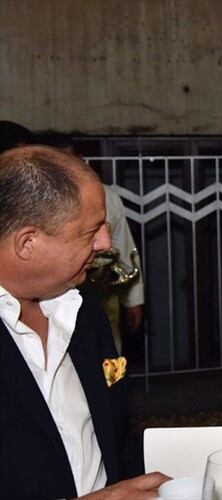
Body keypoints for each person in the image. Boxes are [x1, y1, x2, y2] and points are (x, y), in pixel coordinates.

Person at [0, 145, 167, 497]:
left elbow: (110, 438)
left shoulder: (84, 311)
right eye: (90, 232)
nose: (106, 243)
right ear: (28, 242)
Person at [37, 132, 145, 354]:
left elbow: (123, 247)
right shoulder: (35, 205)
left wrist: (133, 299)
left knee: (108, 356)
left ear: (81, 159)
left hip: (102, 295)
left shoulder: (106, 196)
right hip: (51, 298)